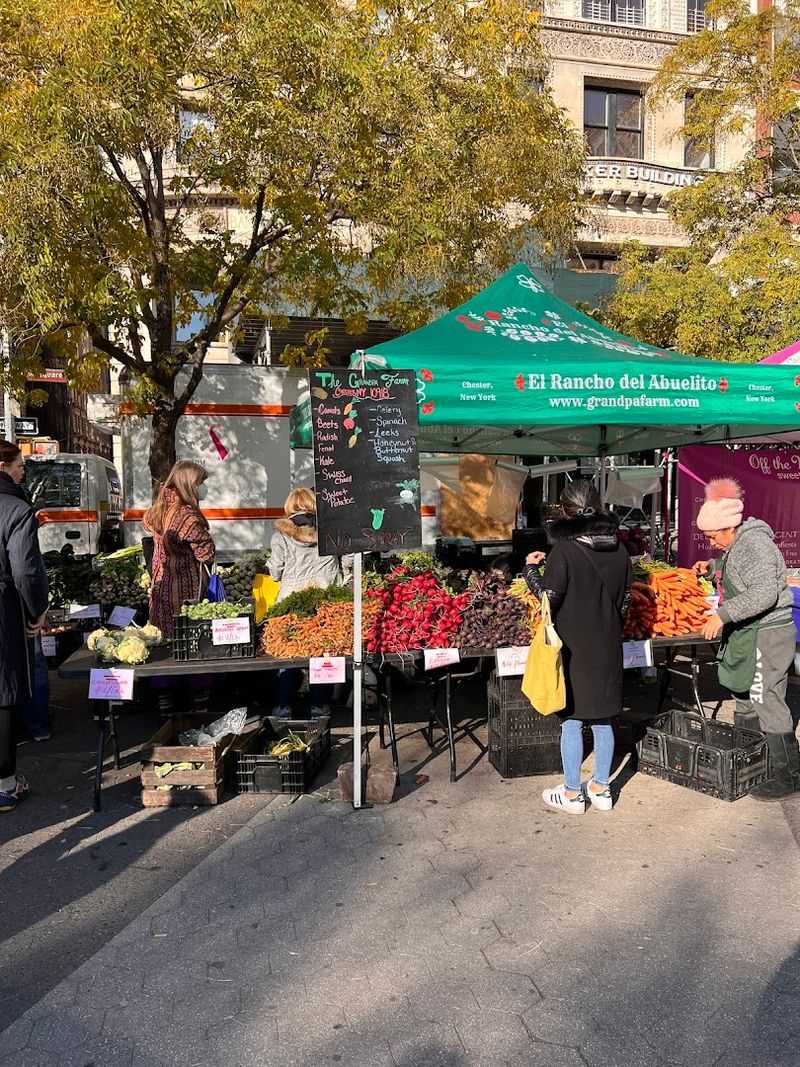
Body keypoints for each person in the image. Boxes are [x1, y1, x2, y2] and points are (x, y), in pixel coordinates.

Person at [524, 480, 631, 815]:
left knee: (571, 720)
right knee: (603, 718)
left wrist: (530, 570)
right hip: (609, 645)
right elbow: (626, 602)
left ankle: (572, 793)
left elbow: (548, 599)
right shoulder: (621, 550)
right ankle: (601, 788)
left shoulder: (565, 551)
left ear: (565, 511)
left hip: (573, 648)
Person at [694, 478, 798, 801]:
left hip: (769, 631)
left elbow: (765, 592)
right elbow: (737, 569)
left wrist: (722, 615)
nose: (711, 542)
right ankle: (751, 761)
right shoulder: (737, 545)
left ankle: (789, 775)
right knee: (744, 692)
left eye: (713, 536)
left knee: (766, 696)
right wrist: (712, 568)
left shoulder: (755, 544)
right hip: (750, 631)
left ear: (730, 528)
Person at [269, 488, 352, 717]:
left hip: (290, 604)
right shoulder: (331, 531)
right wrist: (341, 575)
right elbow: (349, 561)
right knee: (324, 653)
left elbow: (275, 573)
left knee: (289, 652)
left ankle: (283, 706)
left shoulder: (280, 536)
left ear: (289, 508)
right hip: (327, 602)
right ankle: (319, 706)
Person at [0, 440, 49, 812]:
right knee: (4, 691)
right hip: (3, 610)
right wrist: (37, 610)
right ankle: (4, 785)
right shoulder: (16, 509)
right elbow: (26, 571)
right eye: (19, 465)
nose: (22, 471)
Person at [144, 460, 215, 637]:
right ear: (188, 485)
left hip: (161, 587)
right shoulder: (186, 516)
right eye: (200, 483)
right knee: (185, 637)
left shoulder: (159, 508)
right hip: (184, 590)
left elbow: (147, 524)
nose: (204, 487)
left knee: (164, 638)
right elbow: (206, 554)